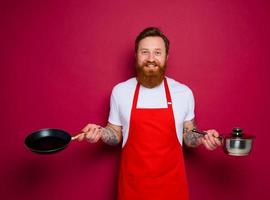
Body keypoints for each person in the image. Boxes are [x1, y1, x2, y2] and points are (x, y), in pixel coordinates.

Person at [76, 27, 222, 200]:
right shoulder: (121, 91)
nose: (151, 59)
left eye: (157, 52)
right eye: (145, 52)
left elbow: (189, 132)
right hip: (132, 188)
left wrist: (203, 136)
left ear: (166, 57)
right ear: (136, 55)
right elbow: (115, 133)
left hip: (172, 188)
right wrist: (99, 133)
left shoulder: (183, 92)